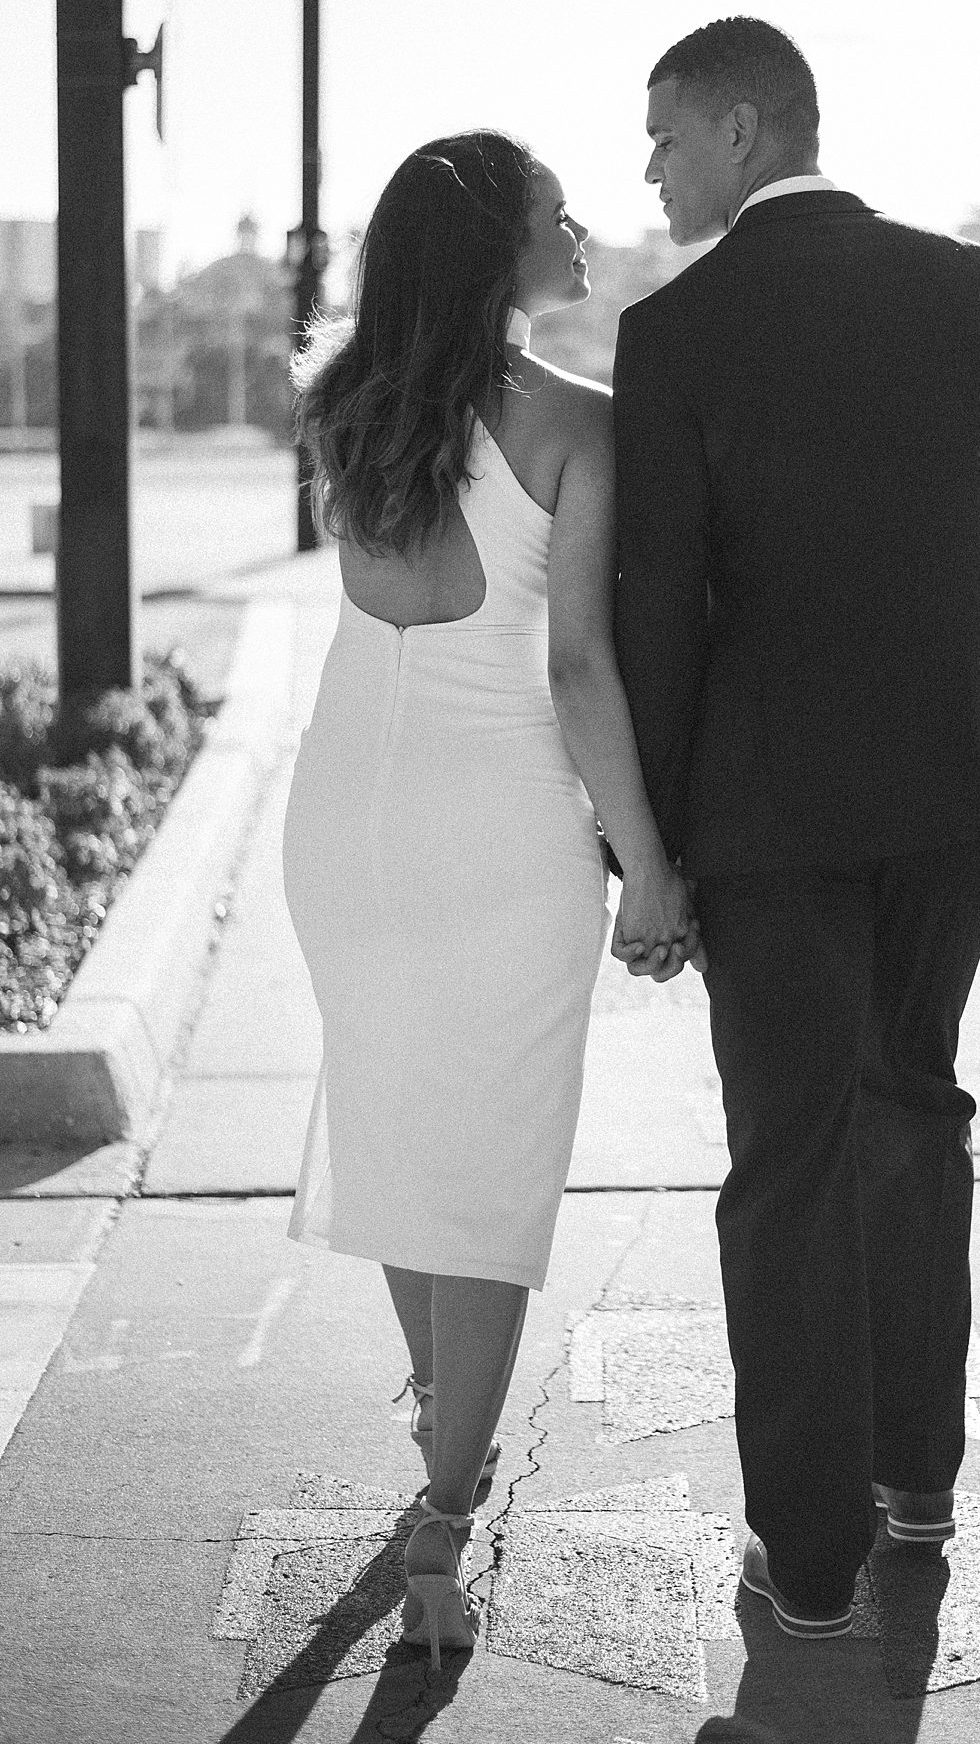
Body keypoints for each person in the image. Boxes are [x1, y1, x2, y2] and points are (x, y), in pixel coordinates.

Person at [611, 18, 980, 1637]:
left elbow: (658, 610)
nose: (650, 168)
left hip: (772, 816)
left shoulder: (675, 334)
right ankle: (917, 1482)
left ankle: (806, 1559)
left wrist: (649, 855)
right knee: (912, 1103)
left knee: (788, 1157)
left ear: (744, 130)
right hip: (966, 792)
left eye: (664, 135)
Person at [282, 130, 699, 1671]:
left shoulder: (345, 402)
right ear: (498, 253)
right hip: (499, 820)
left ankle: (437, 1430)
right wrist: (649, 864)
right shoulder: (580, 422)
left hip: (344, 814)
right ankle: (444, 1524)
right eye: (555, 216)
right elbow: (579, 667)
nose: (584, 229)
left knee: (401, 1136)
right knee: (498, 1173)